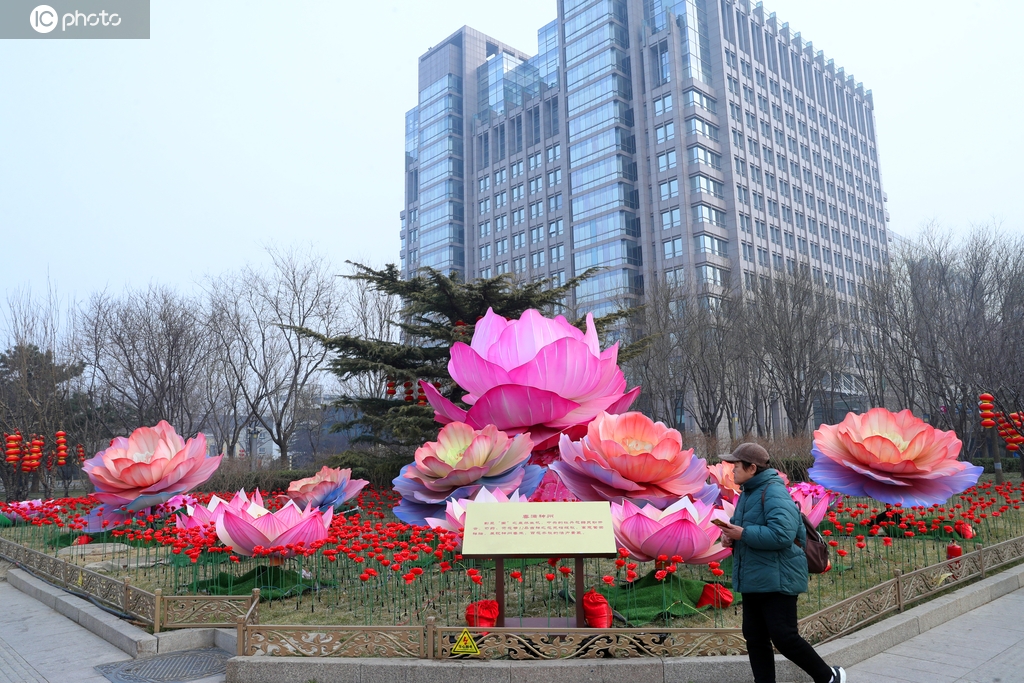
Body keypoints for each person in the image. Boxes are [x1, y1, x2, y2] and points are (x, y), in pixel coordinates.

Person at [716, 442, 846, 683]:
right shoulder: (748, 493)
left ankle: (829, 677)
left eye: (736, 466)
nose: (732, 470)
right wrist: (730, 537)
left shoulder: (774, 492)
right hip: (754, 576)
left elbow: (782, 535)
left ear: (752, 468)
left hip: (778, 577)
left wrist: (743, 534)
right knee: (755, 637)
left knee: (784, 637)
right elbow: (745, 529)